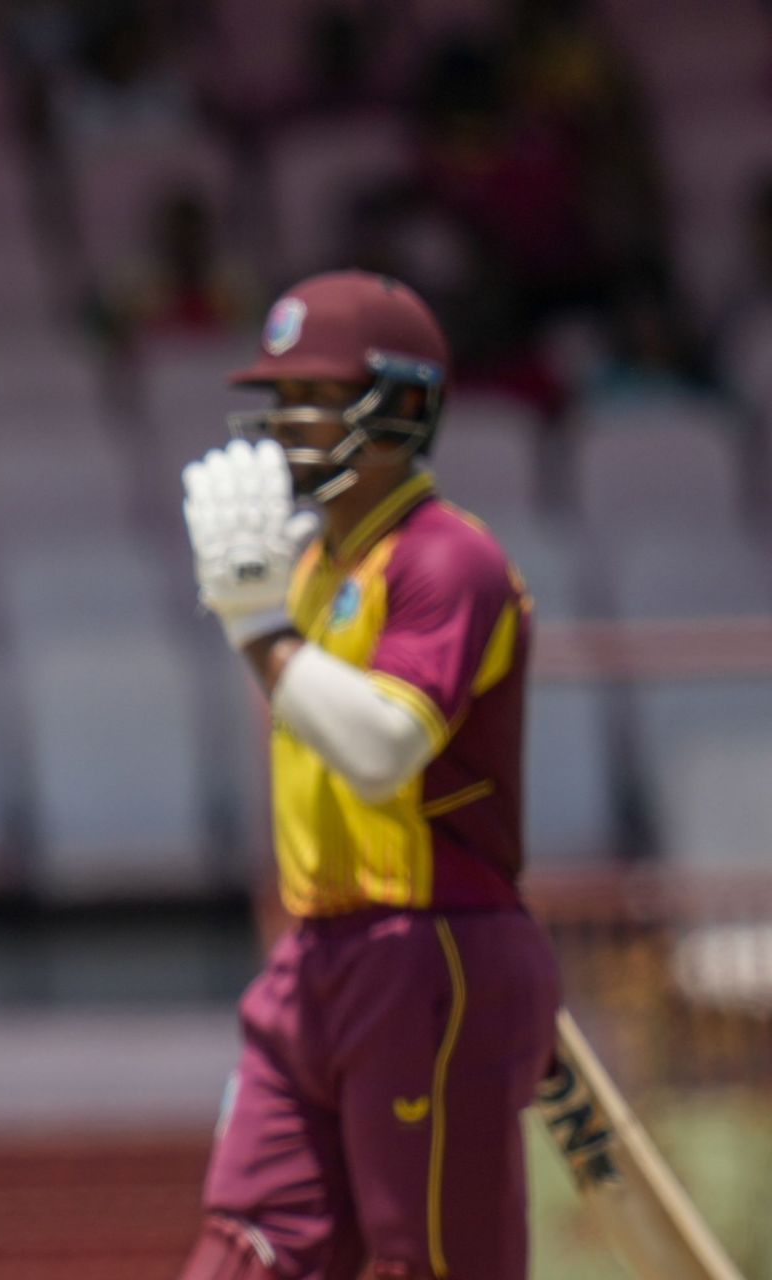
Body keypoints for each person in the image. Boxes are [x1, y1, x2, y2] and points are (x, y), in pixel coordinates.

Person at [176, 270, 560, 1280]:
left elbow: (385, 746)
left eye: (315, 399)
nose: (289, 426)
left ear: (401, 405)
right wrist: (267, 613)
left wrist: (257, 628)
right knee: (248, 1252)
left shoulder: (449, 560)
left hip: (429, 948)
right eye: (283, 402)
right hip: (318, 952)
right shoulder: (312, 566)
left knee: (427, 1259)